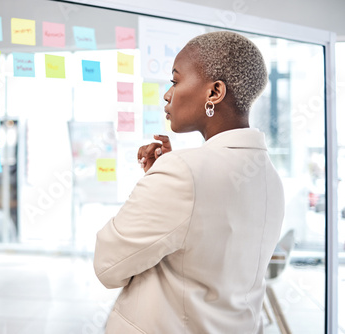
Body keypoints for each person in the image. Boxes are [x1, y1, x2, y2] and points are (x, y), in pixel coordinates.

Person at [93, 31, 285, 333]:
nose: (167, 95)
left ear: (214, 93)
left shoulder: (182, 172)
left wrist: (164, 179)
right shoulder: (270, 178)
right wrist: (160, 178)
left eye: (175, 80)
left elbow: (107, 266)